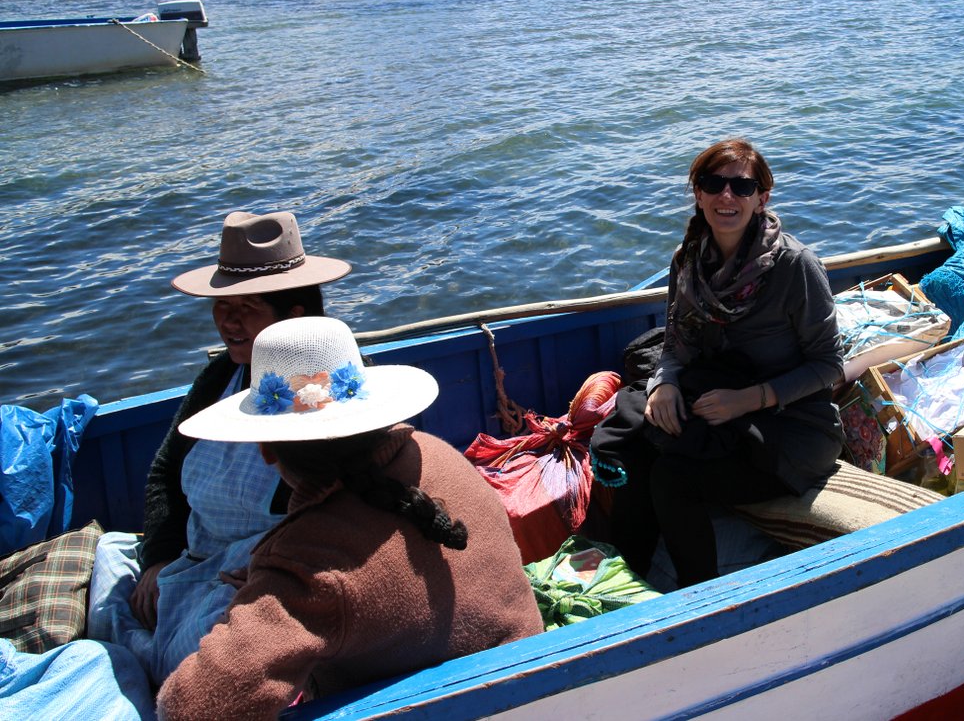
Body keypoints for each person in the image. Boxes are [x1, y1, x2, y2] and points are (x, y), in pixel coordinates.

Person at [155, 317, 543, 719]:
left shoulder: (308, 566)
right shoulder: (436, 453)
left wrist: (266, 595)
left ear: (267, 451)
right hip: (533, 692)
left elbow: (187, 707)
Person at [87, 211, 351, 684]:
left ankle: (138, 668)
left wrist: (268, 571)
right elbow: (165, 472)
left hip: (259, 568)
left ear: (293, 318)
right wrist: (159, 560)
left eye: (246, 307)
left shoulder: (328, 388)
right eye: (220, 305)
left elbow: (342, 508)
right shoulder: (218, 380)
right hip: (195, 553)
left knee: (196, 659)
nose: (226, 320)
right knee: (109, 550)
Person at [591, 138, 844, 588]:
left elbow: (829, 365)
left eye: (742, 187)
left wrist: (750, 399)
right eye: (714, 184)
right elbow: (675, 345)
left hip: (792, 426)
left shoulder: (794, 266)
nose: (727, 196)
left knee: (673, 477)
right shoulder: (688, 261)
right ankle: (628, 579)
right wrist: (664, 385)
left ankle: (697, 600)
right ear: (699, 193)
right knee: (635, 448)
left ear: (761, 197)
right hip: (717, 407)